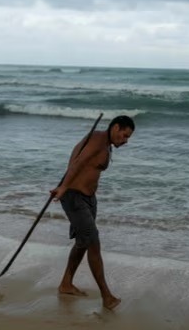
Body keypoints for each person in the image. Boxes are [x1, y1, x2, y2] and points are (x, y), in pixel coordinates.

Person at [50, 114, 135, 310]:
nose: (126, 141)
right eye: (124, 135)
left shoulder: (104, 143)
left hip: (88, 199)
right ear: (115, 128)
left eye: (128, 138)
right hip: (74, 197)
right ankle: (107, 297)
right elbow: (77, 164)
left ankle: (66, 284)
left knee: (83, 242)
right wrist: (63, 188)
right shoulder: (97, 140)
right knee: (93, 242)